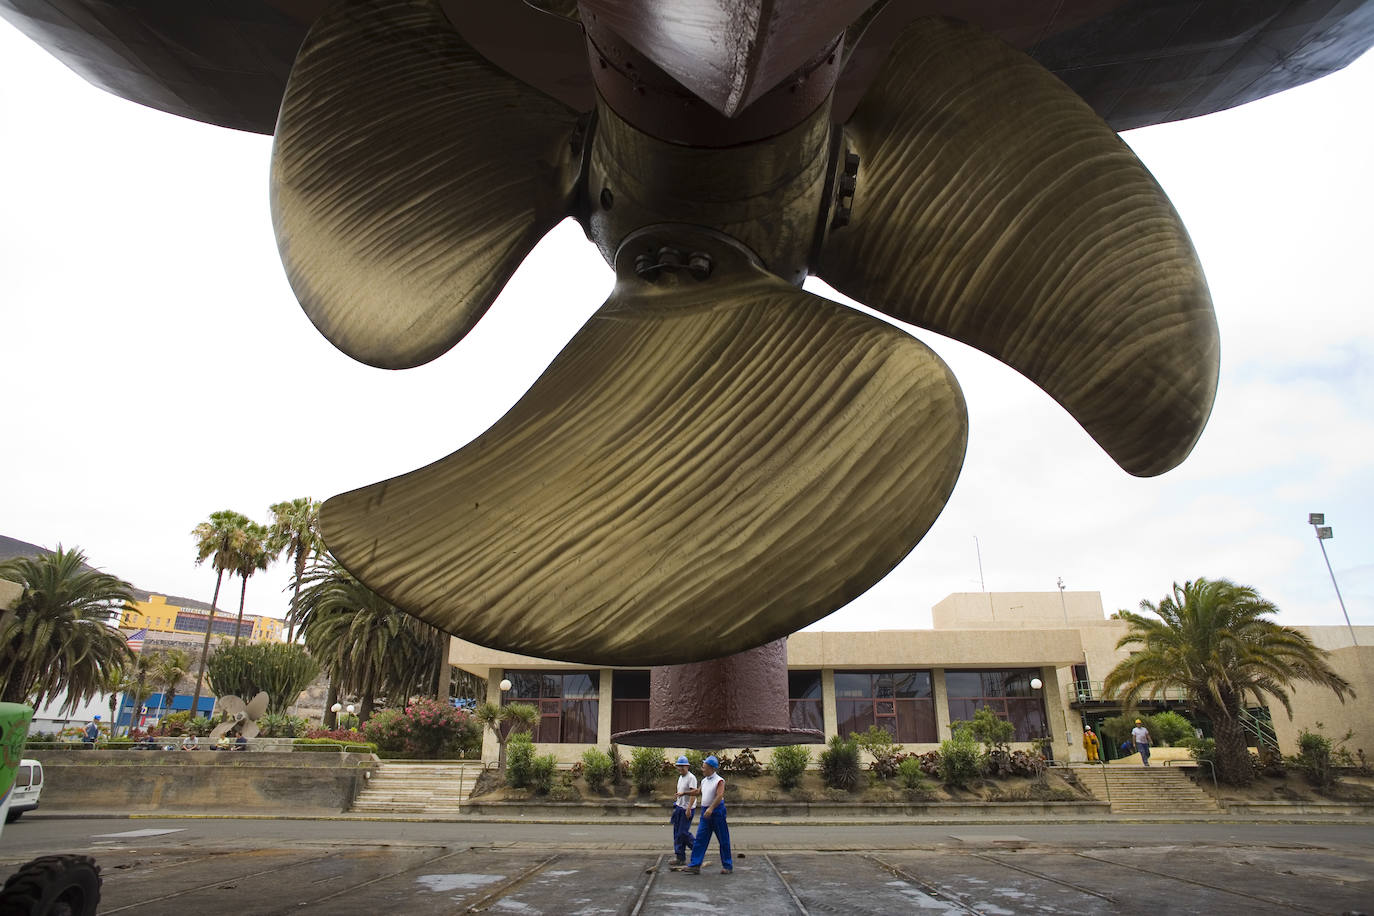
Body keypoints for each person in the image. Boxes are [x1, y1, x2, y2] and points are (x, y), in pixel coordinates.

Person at [681, 755, 732, 875]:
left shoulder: (719, 780)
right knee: (700, 838)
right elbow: (698, 792)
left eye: (704, 767)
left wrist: (712, 808)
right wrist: (685, 793)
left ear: (711, 768)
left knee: (723, 839)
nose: (702, 769)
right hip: (705, 811)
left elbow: (719, 796)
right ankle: (695, 864)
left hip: (717, 811)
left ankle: (727, 865)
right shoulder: (704, 781)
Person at [669, 755, 697, 865]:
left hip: (687, 809)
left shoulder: (691, 778)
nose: (680, 769)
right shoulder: (680, 777)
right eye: (679, 766)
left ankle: (697, 849)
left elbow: (693, 794)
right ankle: (680, 857)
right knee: (677, 833)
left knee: (683, 833)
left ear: (687, 766)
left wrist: (689, 808)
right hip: (679, 808)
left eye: (683, 766)